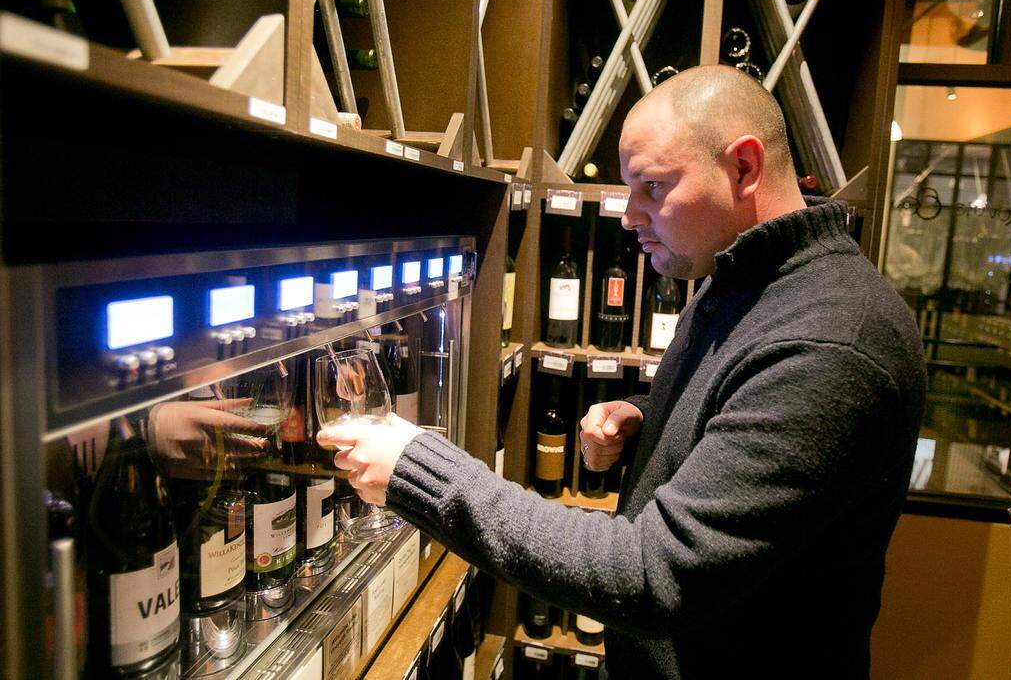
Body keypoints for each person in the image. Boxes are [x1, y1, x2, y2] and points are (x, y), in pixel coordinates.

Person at [318, 65, 926, 678]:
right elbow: (739, 397)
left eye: (652, 188)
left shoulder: (832, 340)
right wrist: (646, 415)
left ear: (744, 167)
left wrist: (420, 467)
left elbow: (656, 574)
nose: (629, 215)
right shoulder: (742, 278)